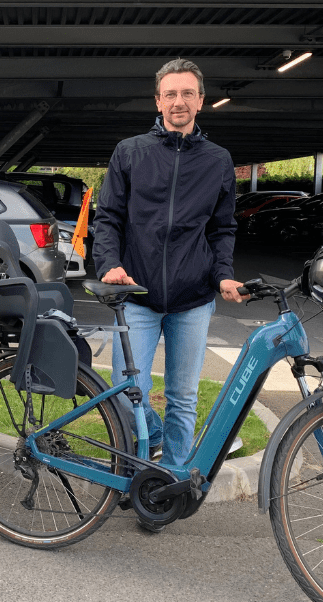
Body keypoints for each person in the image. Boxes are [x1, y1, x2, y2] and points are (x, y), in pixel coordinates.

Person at [93, 59, 247, 470]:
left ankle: (175, 481)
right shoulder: (130, 152)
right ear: (158, 101)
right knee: (127, 393)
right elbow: (108, 217)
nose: (178, 102)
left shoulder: (218, 161)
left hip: (192, 299)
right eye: (170, 94)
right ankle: (134, 472)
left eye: (187, 94)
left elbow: (222, 228)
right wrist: (109, 263)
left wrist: (223, 275)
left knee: (183, 397)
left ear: (200, 101)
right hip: (137, 294)